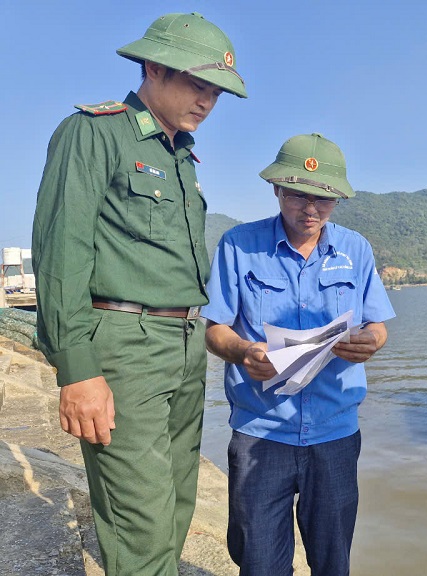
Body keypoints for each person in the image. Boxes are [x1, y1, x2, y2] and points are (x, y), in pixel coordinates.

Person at [31, 12, 247, 576]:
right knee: (141, 527)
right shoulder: (95, 132)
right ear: (153, 67)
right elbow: (61, 252)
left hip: (182, 344)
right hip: (124, 347)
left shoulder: (181, 156)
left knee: (174, 509)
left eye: (216, 92)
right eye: (198, 84)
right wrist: (78, 371)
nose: (208, 102)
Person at [202, 132, 395, 575]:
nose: (310, 209)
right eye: (297, 195)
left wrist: (371, 342)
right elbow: (214, 331)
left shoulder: (355, 249)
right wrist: (244, 352)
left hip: (335, 433)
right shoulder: (238, 245)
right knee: (259, 563)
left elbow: (377, 325)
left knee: (332, 562)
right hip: (260, 432)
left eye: (324, 199)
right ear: (276, 190)